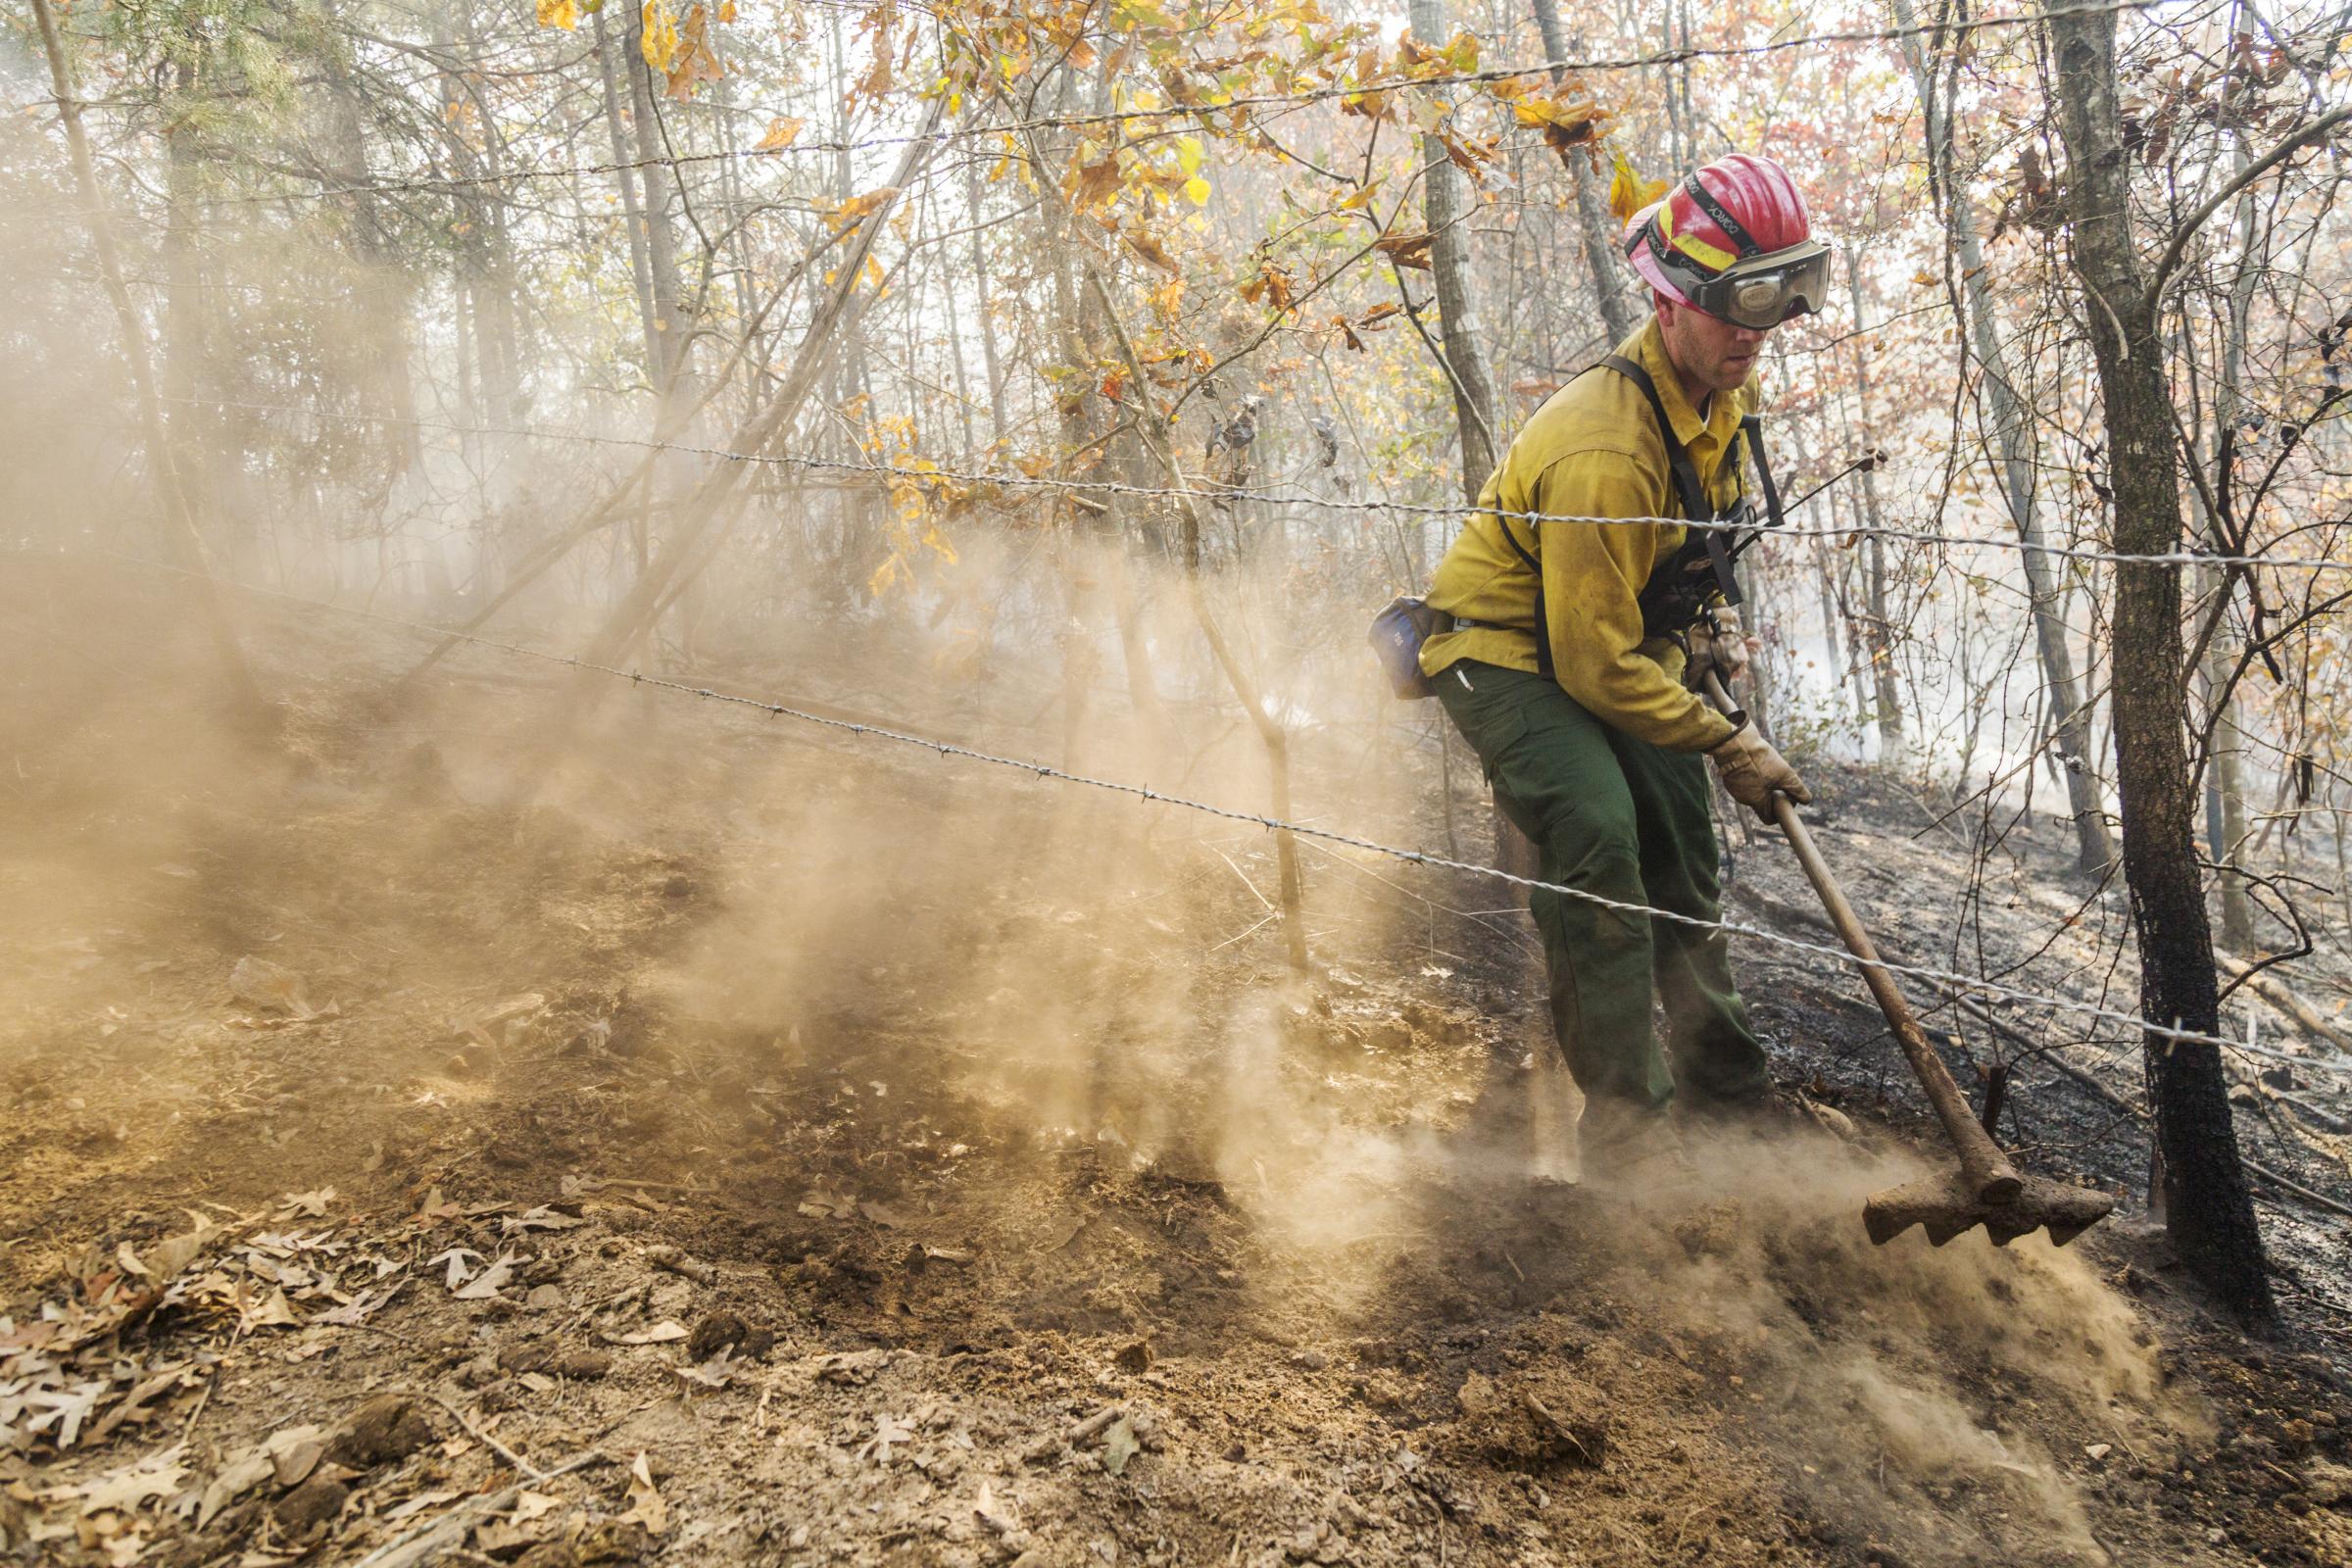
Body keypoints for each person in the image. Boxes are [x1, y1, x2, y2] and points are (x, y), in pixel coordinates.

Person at [1416, 152, 1830, 1183]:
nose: (1757, 329)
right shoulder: (1605, 447)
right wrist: (1731, 740)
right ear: (1672, 297)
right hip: (1506, 653)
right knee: (1602, 834)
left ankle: (1727, 1094)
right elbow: (1591, 666)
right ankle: (1630, 1135)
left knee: (1682, 839)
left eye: (1781, 295)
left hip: (1606, 639)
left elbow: (1683, 558)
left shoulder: (1718, 395)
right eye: (1738, 302)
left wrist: (1703, 633)